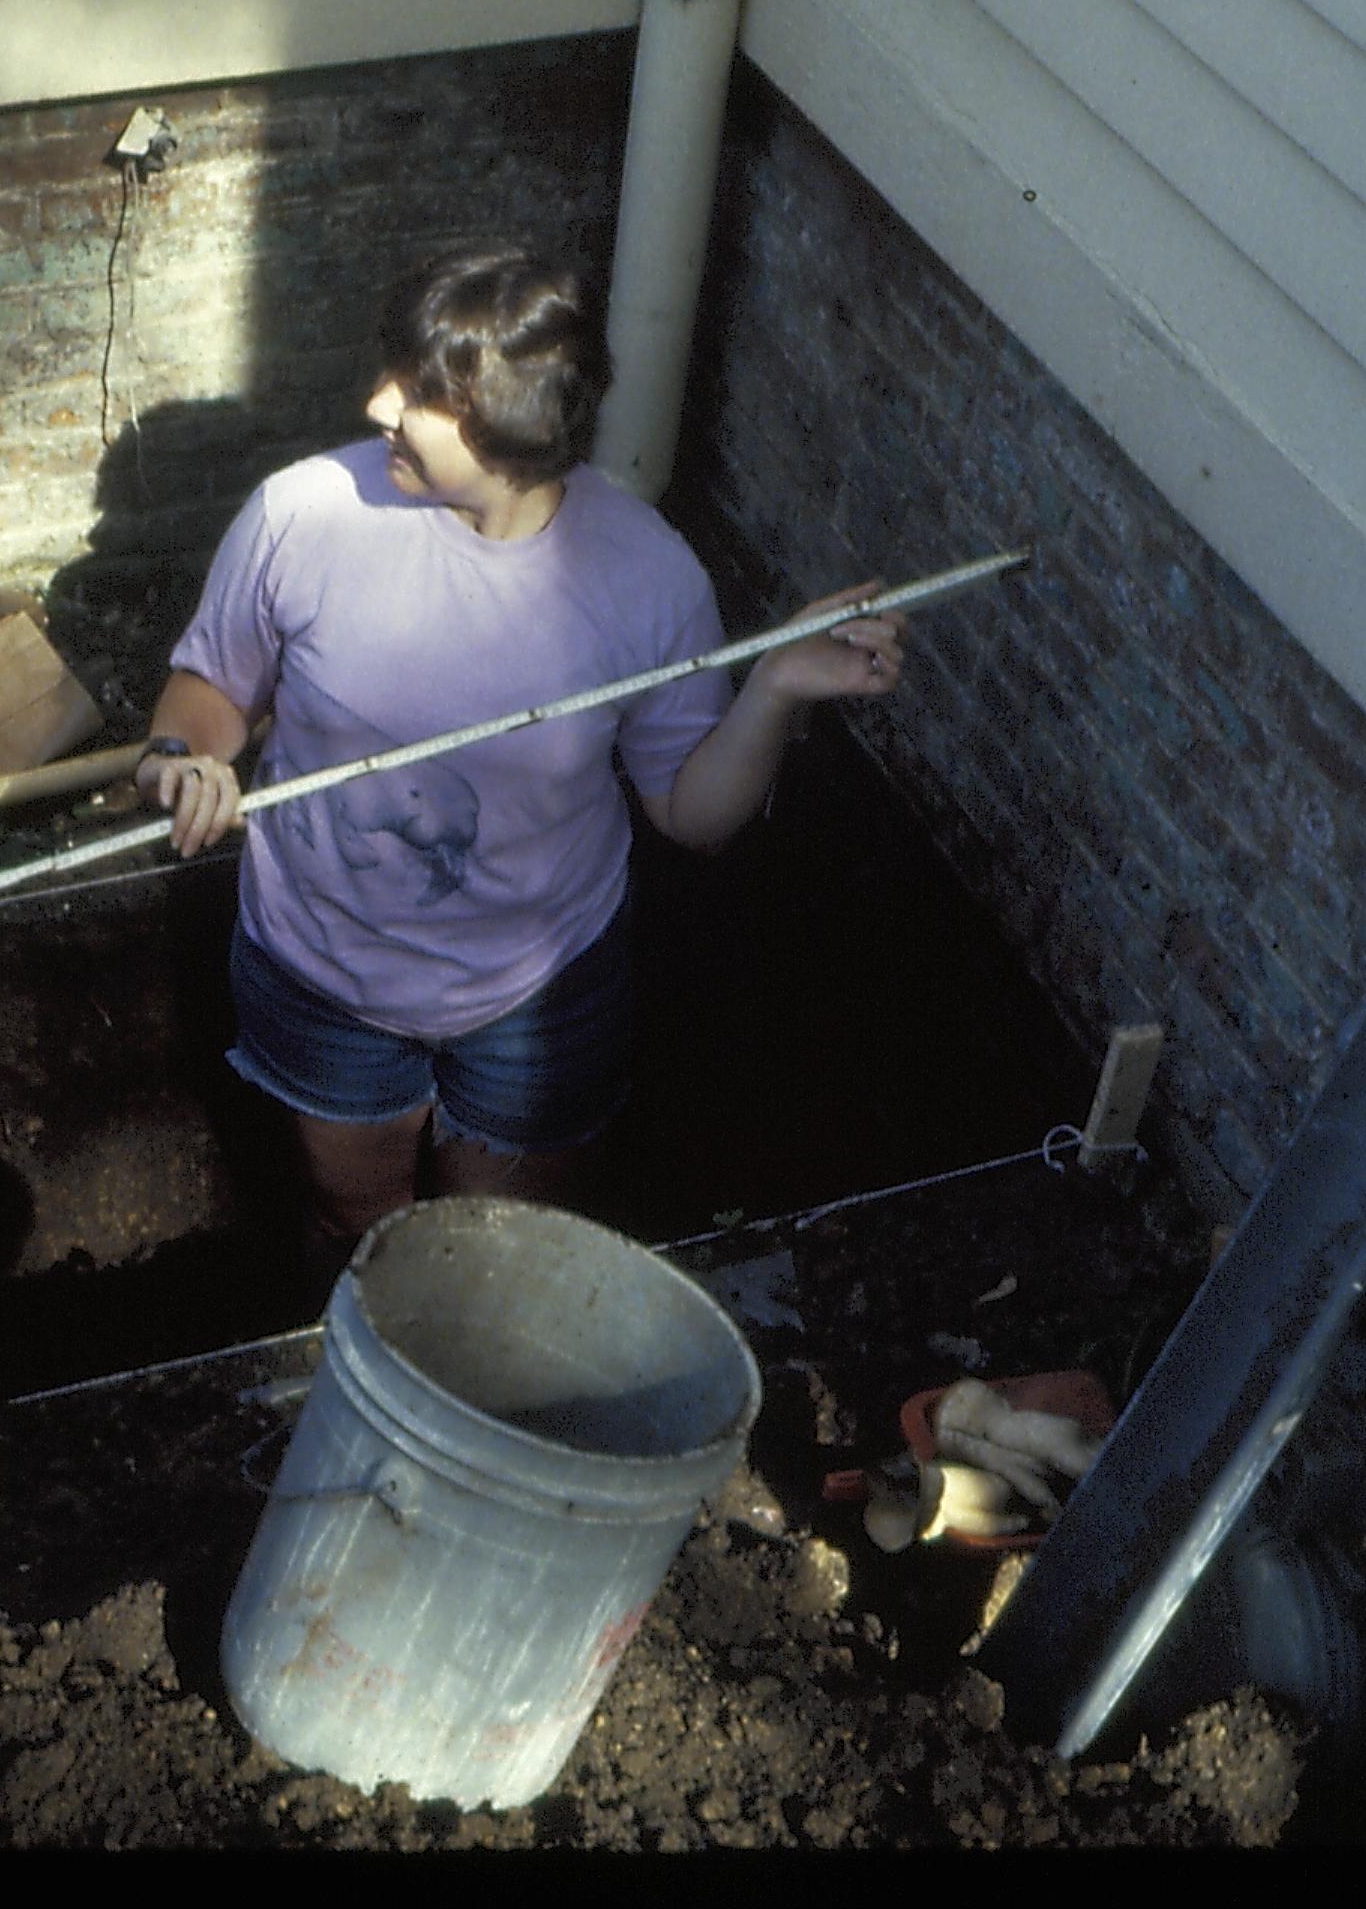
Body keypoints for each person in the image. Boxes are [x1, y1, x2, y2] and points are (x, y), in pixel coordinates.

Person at [134, 248, 909, 1276]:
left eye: (417, 395)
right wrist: (183, 758)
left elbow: (694, 816)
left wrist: (771, 689)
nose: (376, 405)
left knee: (501, 1261)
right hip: (321, 973)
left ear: (508, 427)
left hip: (536, 1000)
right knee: (353, 1227)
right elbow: (212, 691)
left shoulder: (645, 578)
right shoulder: (303, 515)